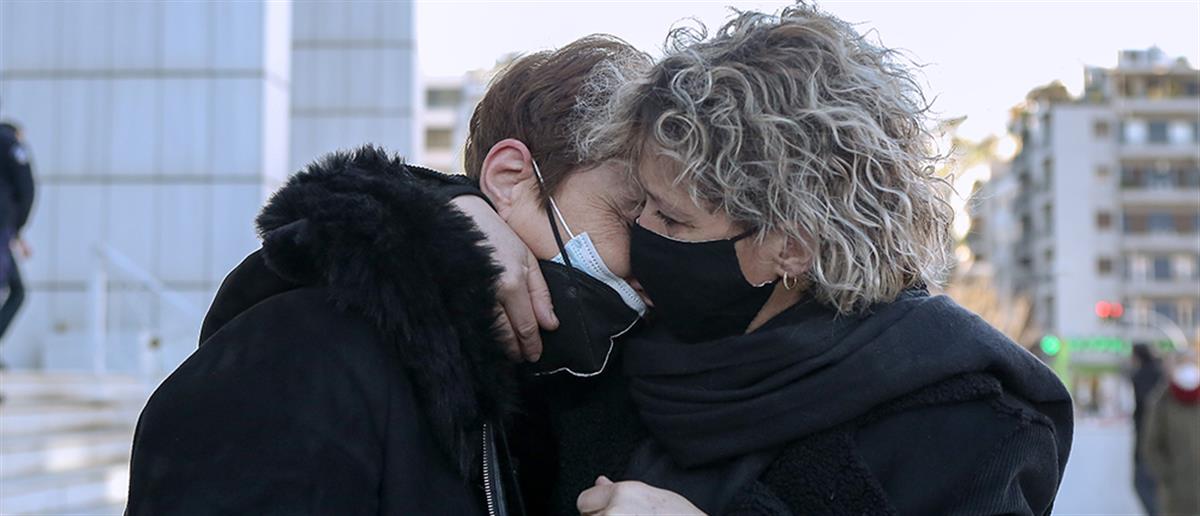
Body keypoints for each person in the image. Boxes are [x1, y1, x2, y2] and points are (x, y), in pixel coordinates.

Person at [456, 5, 1074, 514]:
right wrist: (453, 212)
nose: (641, 239)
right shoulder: (630, 352)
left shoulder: (965, 427)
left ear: (792, 247)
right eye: (638, 206)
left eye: (671, 219)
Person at [125, 36, 650, 515]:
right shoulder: (302, 353)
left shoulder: (582, 386)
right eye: (631, 217)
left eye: (671, 224)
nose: (654, 257)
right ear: (511, 180)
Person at [1141, 349, 1200, 516]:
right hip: (1175, 496)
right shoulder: (1162, 402)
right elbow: (1151, 447)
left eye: (1192, 363)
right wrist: (1169, 475)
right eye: (1183, 363)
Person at [0, 119, 34, 347]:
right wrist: (17, 228)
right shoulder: (9, 142)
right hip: (3, 226)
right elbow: (27, 189)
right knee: (16, 290)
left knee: (17, 290)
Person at [1130, 343, 1164, 516]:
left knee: (1142, 483)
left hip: (1147, 439)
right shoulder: (1160, 373)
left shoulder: (1143, 376)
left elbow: (1144, 408)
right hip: (1158, 441)